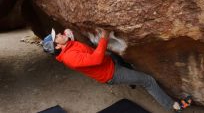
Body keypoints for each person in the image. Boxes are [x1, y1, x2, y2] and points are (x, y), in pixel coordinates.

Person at [42, 28, 192, 112]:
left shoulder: (67, 46)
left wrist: (68, 34)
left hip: (110, 63)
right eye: (58, 36)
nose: (61, 33)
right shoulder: (70, 58)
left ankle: (132, 81)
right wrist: (104, 38)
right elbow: (96, 60)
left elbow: (72, 41)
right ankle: (174, 106)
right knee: (148, 80)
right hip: (111, 73)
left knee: (122, 60)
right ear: (57, 46)